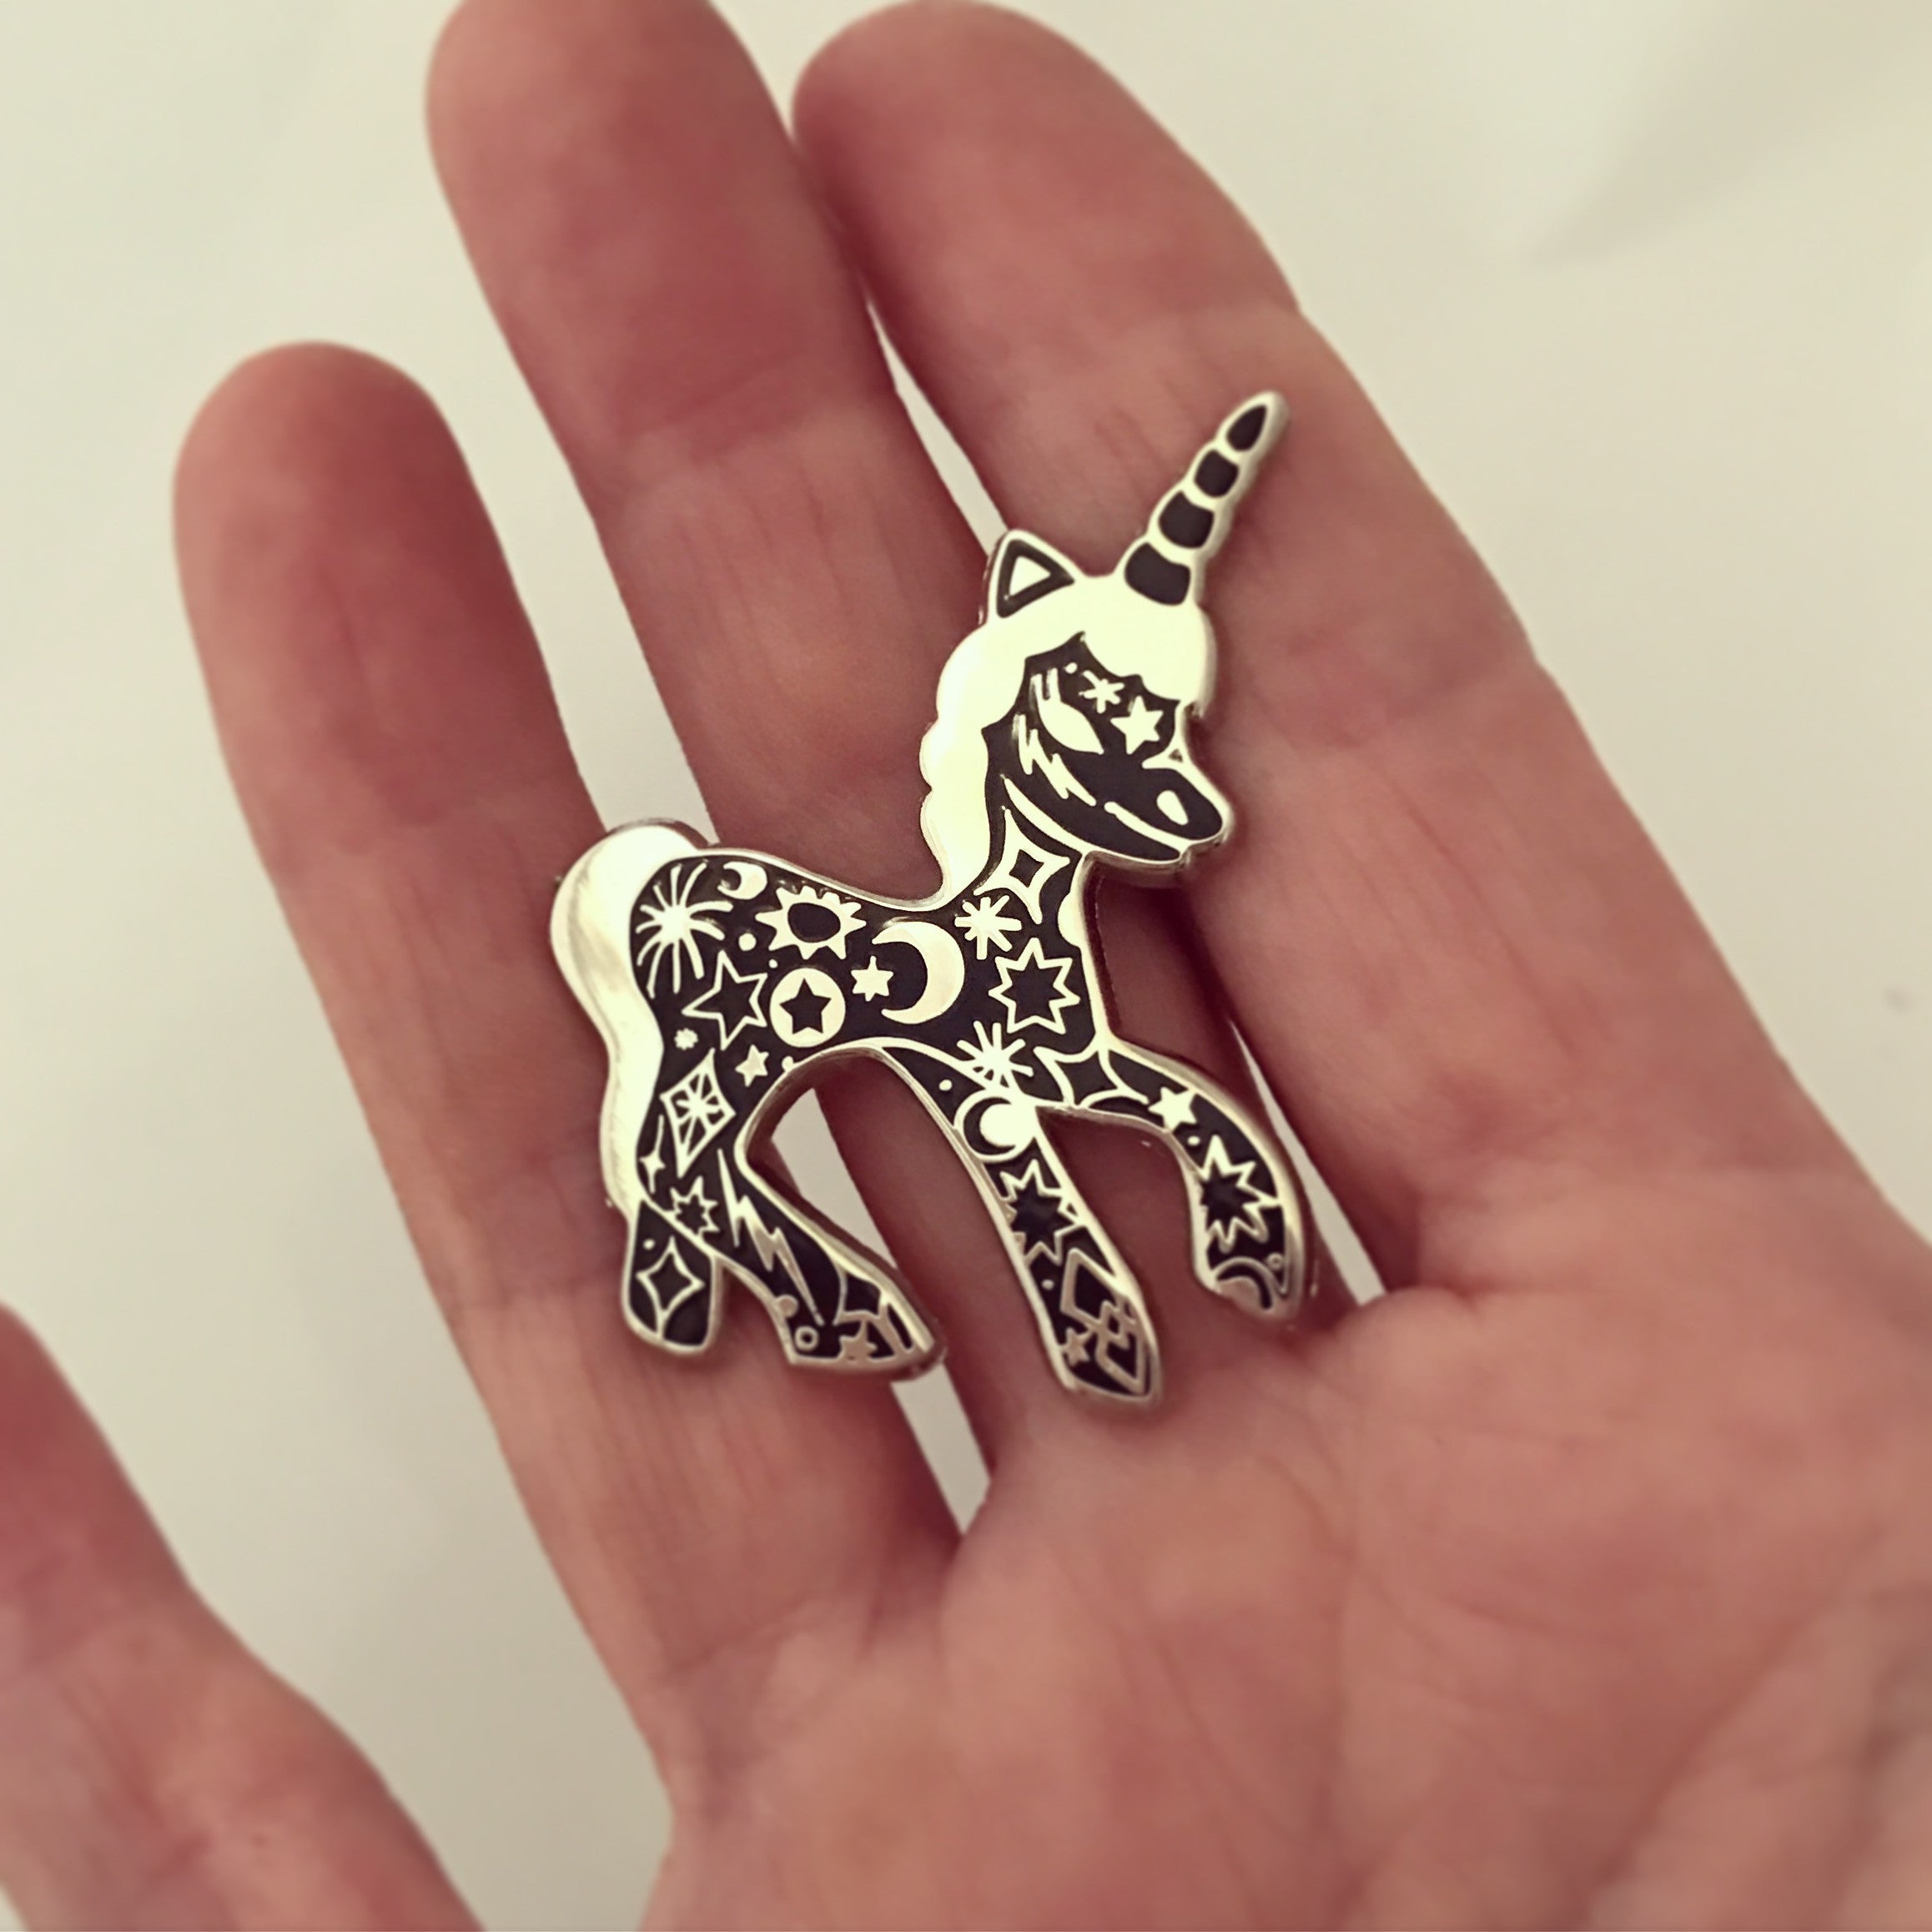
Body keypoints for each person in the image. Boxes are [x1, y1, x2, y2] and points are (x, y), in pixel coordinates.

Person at [5, 2, 1930, 1924]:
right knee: (732, 1119)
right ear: (1029, 725)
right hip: (861, 974)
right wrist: (1104, 1265)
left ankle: (809, 1245)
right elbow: (1012, 1117)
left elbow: (1061, 1069)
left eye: (1158, 731)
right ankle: (755, 1245)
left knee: (1033, 1088)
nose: (1165, 773)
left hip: (958, 974)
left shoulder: (1037, 941)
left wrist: (1214, 1151)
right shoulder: (855, 935)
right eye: (1117, 734)